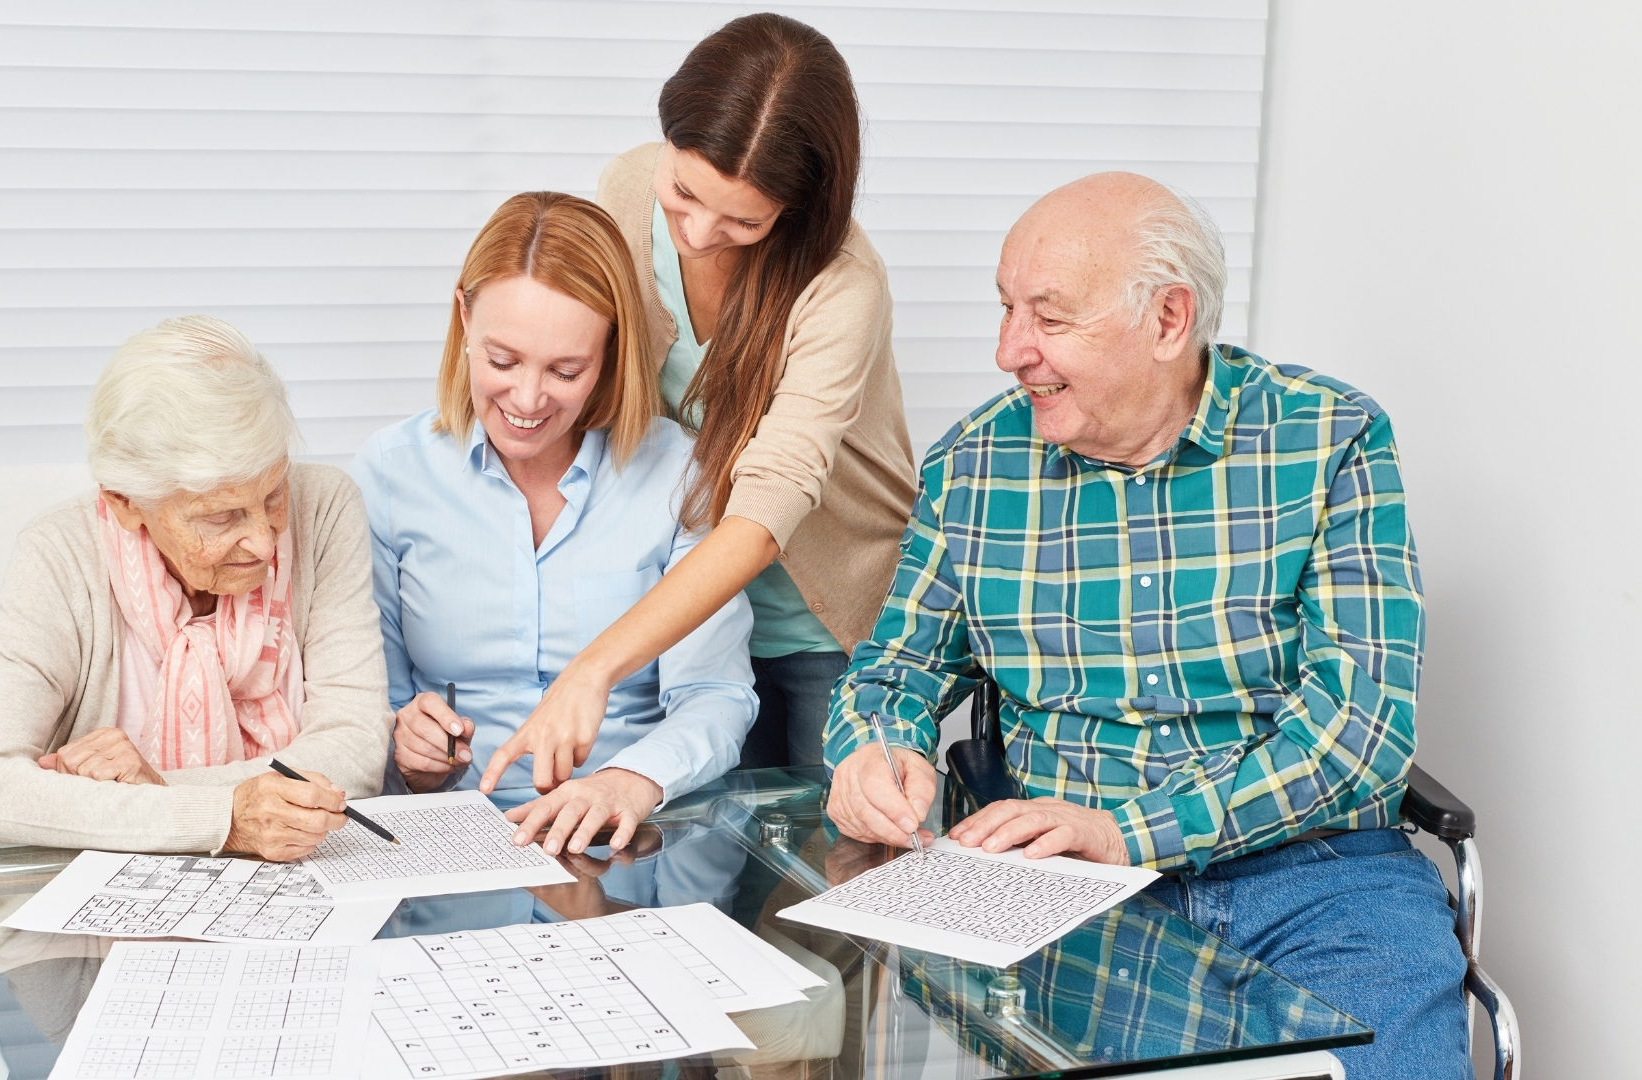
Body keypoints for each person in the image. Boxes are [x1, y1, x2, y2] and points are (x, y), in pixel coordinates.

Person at [823, 173, 1471, 1077]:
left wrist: (1128, 831)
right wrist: (873, 749)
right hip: (1072, 899)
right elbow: (893, 670)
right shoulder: (974, 463)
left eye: (1048, 319)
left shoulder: (1328, 438)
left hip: (1319, 882)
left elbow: (1359, 733)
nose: (1010, 350)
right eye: (1007, 309)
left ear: (1170, 319)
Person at [479, 13, 917, 791]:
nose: (700, 233)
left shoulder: (844, 283)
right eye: (683, 191)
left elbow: (768, 503)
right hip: (681, 618)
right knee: (708, 873)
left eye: (744, 220)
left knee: (832, 878)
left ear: (799, 207)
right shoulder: (626, 187)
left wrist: (596, 665)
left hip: (823, 618)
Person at [350, 191, 757, 857]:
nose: (529, 400)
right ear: (463, 318)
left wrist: (629, 781)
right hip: (452, 848)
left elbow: (715, 696)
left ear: (609, 354)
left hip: (629, 843)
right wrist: (407, 745)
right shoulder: (391, 477)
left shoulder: (678, 474)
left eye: (567, 371)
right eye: (502, 361)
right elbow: (371, 708)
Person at [0, 314, 391, 863]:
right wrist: (222, 819)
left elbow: (355, 750)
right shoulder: (59, 554)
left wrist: (155, 792)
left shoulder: (324, 508)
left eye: (273, 493)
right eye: (221, 517)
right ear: (125, 502)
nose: (262, 540)